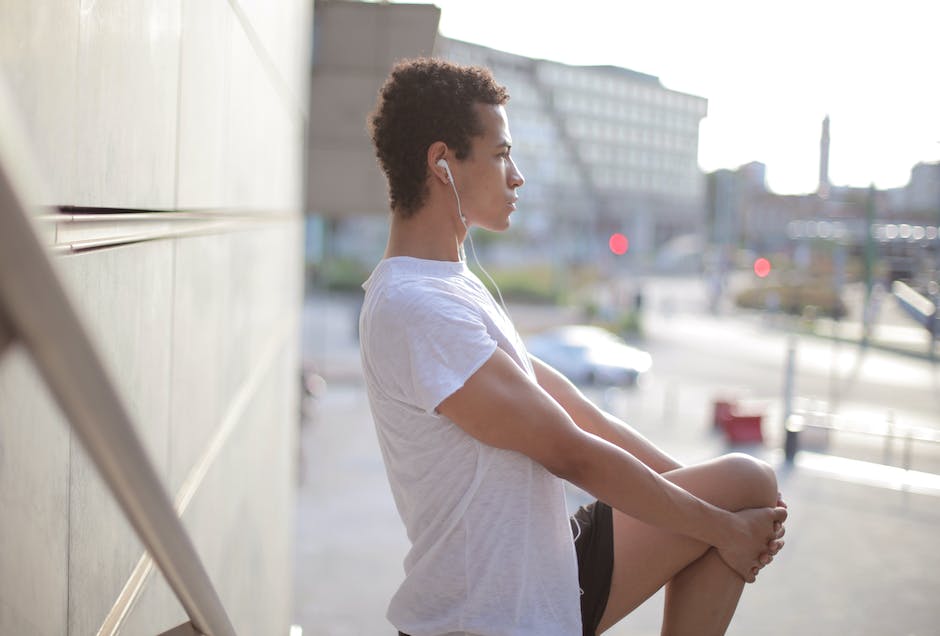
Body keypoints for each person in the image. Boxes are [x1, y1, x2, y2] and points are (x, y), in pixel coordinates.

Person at [359, 58, 787, 636]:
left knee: (745, 484)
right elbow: (570, 452)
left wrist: (696, 494)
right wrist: (717, 528)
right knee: (736, 499)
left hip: (546, 568)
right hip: (493, 613)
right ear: (443, 164)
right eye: (502, 153)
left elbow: (581, 414)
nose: (517, 175)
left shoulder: (448, 285)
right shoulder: (417, 306)